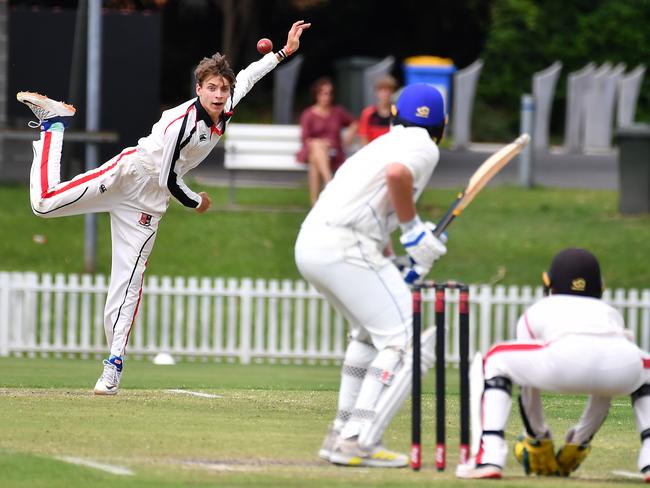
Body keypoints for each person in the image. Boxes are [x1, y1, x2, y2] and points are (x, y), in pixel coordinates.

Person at [16, 20, 310, 396]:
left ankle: (113, 366)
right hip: (130, 174)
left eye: (224, 89)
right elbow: (169, 177)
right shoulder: (179, 123)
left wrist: (284, 51)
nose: (219, 95)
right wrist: (197, 201)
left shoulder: (228, 104)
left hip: (148, 207)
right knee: (43, 204)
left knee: (128, 283)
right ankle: (55, 123)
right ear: (198, 89)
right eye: (212, 89)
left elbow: (252, 73)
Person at [294, 83, 448, 467]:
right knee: (403, 340)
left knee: (367, 333)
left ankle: (340, 433)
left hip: (312, 243)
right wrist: (414, 232)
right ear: (443, 125)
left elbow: (375, 213)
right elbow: (398, 176)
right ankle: (356, 439)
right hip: (346, 246)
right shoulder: (424, 146)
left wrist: (398, 259)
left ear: (394, 115)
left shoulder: (379, 144)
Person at [457, 248, 650, 480]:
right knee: (644, 370)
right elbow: (603, 388)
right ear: (601, 286)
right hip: (622, 367)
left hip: (562, 361)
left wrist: (538, 437)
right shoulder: (610, 313)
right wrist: (579, 442)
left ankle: (489, 457)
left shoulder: (538, 309)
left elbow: (528, 387)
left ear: (548, 283)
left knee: (496, 358)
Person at [296, 77, 357, 205]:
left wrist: (350, 134)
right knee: (317, 147)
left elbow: (355, 123)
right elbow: (305, 139)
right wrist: (321, 143)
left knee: (315, 161)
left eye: (329, 93)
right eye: (323, 93)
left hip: (334, 153)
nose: (327, 97)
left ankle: (315, 205)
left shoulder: (338, 112)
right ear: (317, 95)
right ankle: (330, 182)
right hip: (314, 149)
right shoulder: (308, 114)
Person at [358, 75, 398, 146]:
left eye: (388, 91)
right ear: (377, 93)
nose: (385, 94)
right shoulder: (368, 113)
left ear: (392, 93)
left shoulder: (397, 113)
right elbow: (363, 137)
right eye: (382, 91)